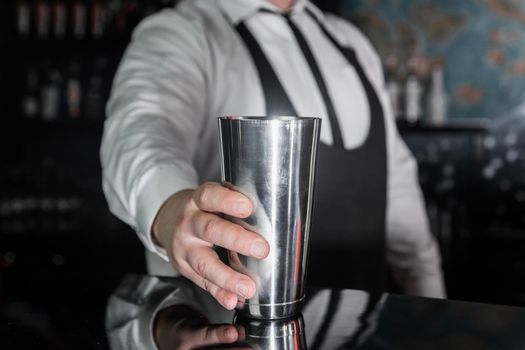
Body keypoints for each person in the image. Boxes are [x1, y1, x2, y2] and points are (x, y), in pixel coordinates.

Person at [100, 0, 446, 311]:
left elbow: (397, 185)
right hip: (227, 332)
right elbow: (141, 127)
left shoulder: (351, 42)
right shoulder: (183, 31)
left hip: (362, 332)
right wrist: (169, 207)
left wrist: (433, 304)